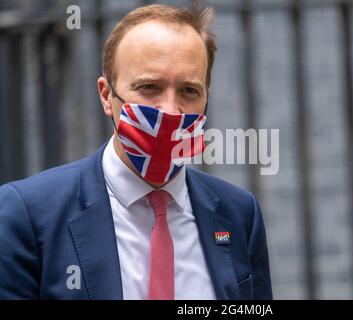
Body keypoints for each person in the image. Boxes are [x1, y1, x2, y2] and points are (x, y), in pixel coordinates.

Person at [0, 2, 272, 300]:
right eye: (149, 87)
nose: (169, 110)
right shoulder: (28, 214)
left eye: (189, 91)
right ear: (107, 96)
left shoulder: (239, 214)